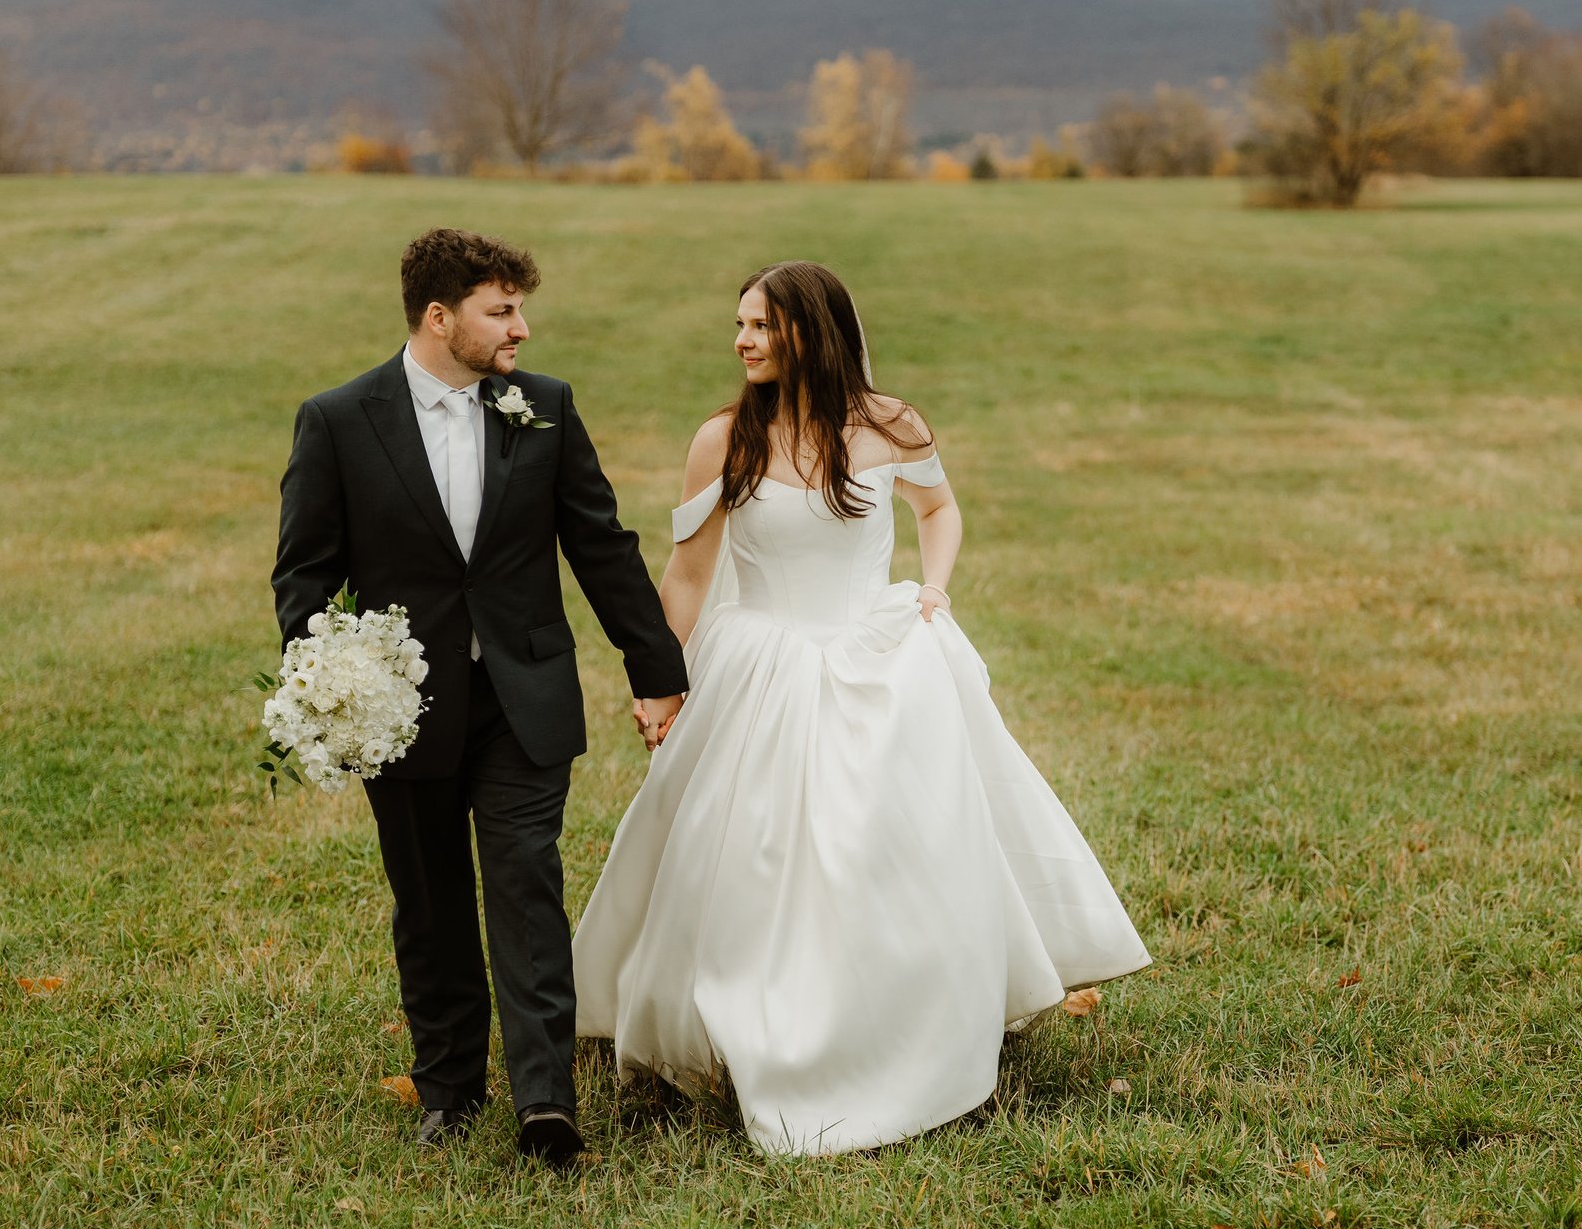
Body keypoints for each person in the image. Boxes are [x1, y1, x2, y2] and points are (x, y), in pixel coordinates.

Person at [574, 260, 1151, 1154]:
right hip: (760, 666)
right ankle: (758, 1024)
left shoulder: (891, 425)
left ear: (813, 330)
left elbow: (940, 508)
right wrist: (660, 680)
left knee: (888, 845)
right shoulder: (724, 439)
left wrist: (935, 589)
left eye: (761, 325)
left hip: (875, 658)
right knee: (752, 849)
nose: (742, 340)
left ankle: (904, 1011)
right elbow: (688, 574)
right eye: (739, 324)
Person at [271, 228, 686, 1171]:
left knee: (527, 885)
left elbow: (600, 543)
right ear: (439, 316)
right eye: (501, 311)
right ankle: (449, 1090)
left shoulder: (543, 408)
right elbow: (304, 574)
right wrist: (327, 684)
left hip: (522, 696)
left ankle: (546, 1101)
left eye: (519, 309)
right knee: (430, 902)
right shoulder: (338, 420)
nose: (520, 329)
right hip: (401, 711)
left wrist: (654, 667)